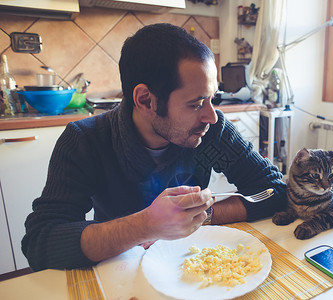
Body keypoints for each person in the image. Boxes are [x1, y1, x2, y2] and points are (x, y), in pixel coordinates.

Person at [21, 23, 286, 271]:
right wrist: (145, 225)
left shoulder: (211, 130)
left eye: (212, 97)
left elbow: (274, 190)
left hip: (191, 266)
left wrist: (201, 215)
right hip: (118, 270)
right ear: (146, 100)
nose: (211, 115)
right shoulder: (86, 140)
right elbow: (41, 241)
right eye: (196, 103)